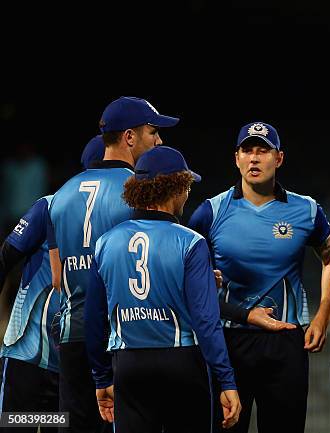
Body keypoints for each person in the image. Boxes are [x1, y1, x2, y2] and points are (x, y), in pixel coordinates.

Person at [188, 121, 330, 433]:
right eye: (247, 150)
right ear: (237, 158)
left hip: (286, 340)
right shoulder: (210, 212)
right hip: (228, 339)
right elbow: (190, 278)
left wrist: (323, 315)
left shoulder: (307, 210)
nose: (254, 158)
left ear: (278, 158)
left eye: (262, 150)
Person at [85, 146, 240, 432]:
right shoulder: (190, 242)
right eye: (187, 186)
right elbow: (206, 321)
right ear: (175, 188)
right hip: (180, 361)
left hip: (128, 362)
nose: (188, 193)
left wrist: (101, 377)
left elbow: (93, 317)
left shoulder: (106, 242)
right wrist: (226, 379)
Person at [47, 96, 179, 432]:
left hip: (72, 335)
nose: (159, 141)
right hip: (121, 339)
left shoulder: (59, 196)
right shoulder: (138, 192)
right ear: (130, 137)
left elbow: (58, 278)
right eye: (153, 132)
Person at [0, 136, 105, 433]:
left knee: (53, 423)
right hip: (32, 352)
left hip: (73, 358)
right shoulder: (51, 206)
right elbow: (6, 257)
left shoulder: (121, 217)